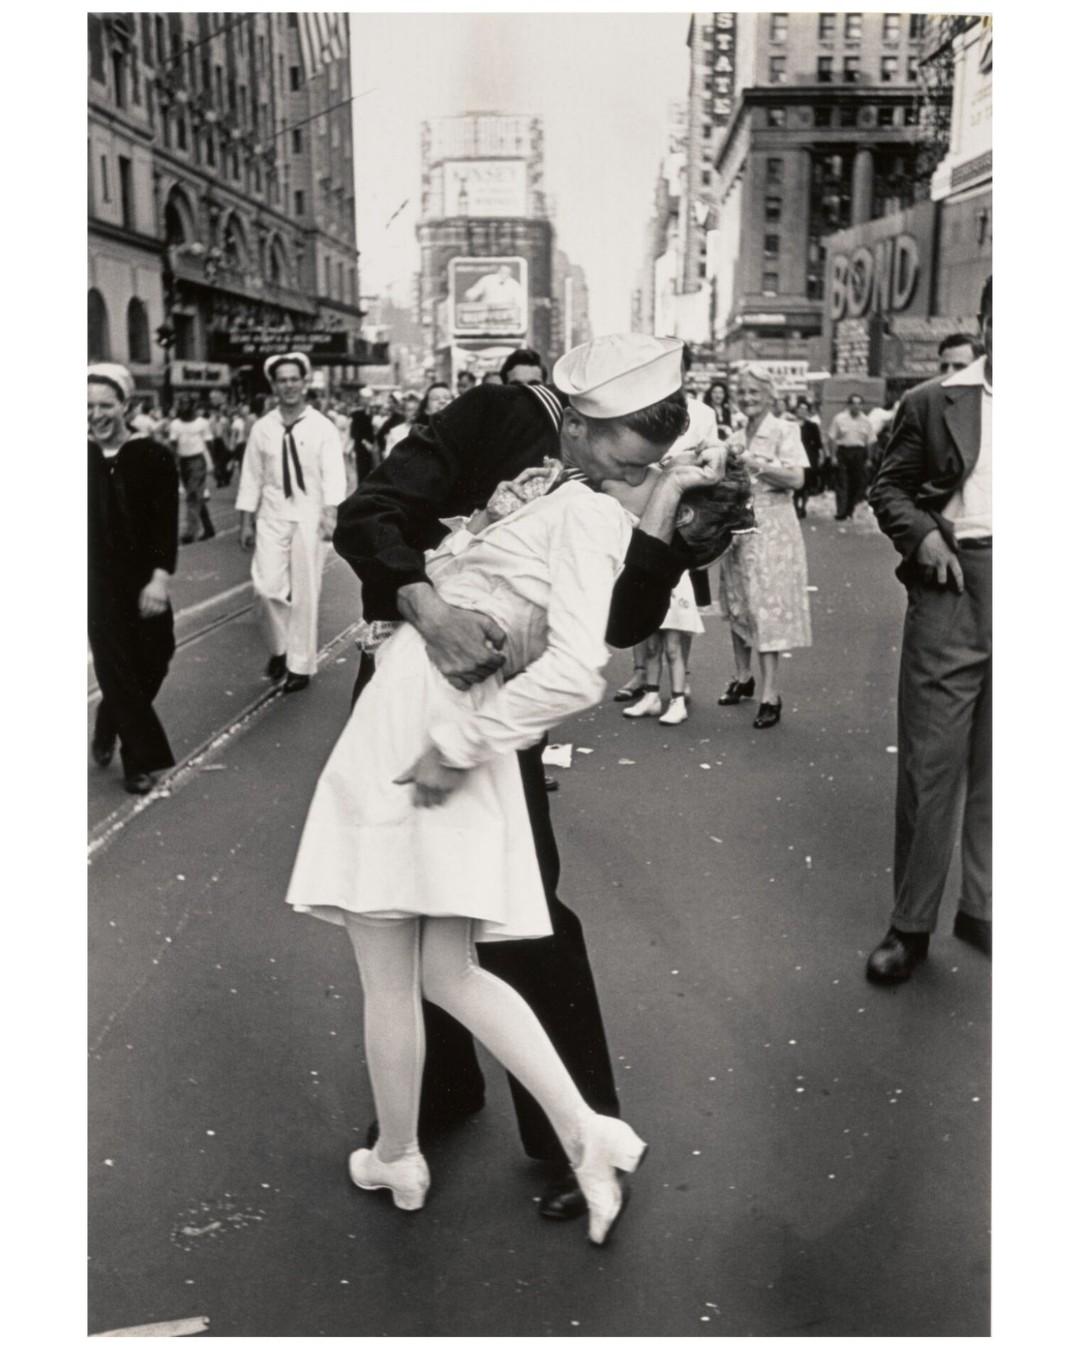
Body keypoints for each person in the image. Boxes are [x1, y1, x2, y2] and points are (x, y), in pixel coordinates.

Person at [332, 334, 716, 1223]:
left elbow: (616, 627)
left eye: (647, 467)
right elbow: (370, 513)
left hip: (503, 709)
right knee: (403, 898)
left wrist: (660, 534)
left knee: (521, 906)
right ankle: (434, 1093)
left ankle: (573, 1131)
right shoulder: (503, 415)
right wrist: (428, 611)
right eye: (619, 458)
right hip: (411, 676)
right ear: (579, 422)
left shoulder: (645, 483)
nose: (625, 479)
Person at [864, 276, 992, 984]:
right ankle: (909, 927)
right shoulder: (935, 401)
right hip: (954, 582)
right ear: (986, 321)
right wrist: (923, 538)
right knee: (931, 765)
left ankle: (987, 908)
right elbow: (888, 487)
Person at [88, 364, 179, 794]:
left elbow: (165, 524)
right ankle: (136, 759)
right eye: (87, 406)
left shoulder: (153, 457)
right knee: (115, 665)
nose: (95, 414)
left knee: (156, 656)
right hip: (92, 583)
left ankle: (109, 716)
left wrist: (159, 579)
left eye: (105, 405)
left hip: (143, 578)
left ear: (126, 405)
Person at [235, 352, 347, 693]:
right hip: (271, 515)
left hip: (310, 517)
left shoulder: (322, 427)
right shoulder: (263, 428)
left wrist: (331, 513)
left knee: (305, 593)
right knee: (266, 588)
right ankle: (279, 649)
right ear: (274, 386)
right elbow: (251, 476)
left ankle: (300, 664)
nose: (289, 386)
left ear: (304, 382)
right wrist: (245, 521)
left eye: (294, 379)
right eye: (282, 380)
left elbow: (334, 473)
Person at [715, 365, 812, 729]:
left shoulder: (785, 430)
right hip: (739, 527)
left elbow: (796, 478)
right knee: (738, 603)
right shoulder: (735, 435)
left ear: (771, 395)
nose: (747, 398)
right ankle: (743, 676)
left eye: (755, 392)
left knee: (766, 606)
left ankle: (771, 693)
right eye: (743, 391)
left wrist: (752, 462)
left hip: (773, 528)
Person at [168, 400, 216, 543]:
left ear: (193, 407)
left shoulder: (202, 423)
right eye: (181, 405)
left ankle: (190, 532)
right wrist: (173, 463)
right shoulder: (175, 424)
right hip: (183, 461)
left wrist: (212, 462)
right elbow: (173, 444)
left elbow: (209, 443)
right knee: (195, 495)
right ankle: (208, 528)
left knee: (193, 495)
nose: (183, 408)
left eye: (186, 405)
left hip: (197, 461)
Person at [827, 393, 877, 521]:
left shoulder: (866, 421)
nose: (856, 406)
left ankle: (850, 510)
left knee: (857, 483)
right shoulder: (839, 418)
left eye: (859, 403)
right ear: (848, 405)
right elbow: (832, 437)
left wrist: (869, 459)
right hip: (843, 452)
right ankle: (841, 511)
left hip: (859, 453)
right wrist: (833, 456)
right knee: (842, 482)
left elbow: (871, 441)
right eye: (853, 403)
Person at [793, 397, 824, 518]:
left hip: (809, 457)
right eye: (800, 409)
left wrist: (820, 456)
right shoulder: (790, 425)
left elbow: (818, 444)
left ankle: (803, 506)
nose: (802, 412)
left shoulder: (812, 426)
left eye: (805, 410)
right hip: (794, 457)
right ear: (796, 411)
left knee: (806, 483)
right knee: (796, 483)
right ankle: (795, 506)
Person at [383, 392, 420, 457]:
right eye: (410, 410)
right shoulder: (395, 431)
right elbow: (388, 455)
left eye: (416, 410)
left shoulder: (424, 430)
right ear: (404, 412)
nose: (414, 413)